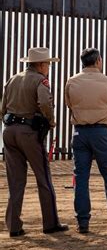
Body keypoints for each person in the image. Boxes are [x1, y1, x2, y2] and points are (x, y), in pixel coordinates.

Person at [1, 47, 68, 237]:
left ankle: (14, 226)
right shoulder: (40, 80)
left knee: (15, 181)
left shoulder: (12, 79)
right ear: (40, 65)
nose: (48, 67)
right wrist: (51, 121)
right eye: (47, 64)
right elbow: (45, 103)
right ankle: (50, 223)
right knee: (43, 178)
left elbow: (3, 106)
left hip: (9, 131)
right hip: (29, 133)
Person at [65, 48, 107, 233]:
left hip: (79, 133)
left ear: (82, 62)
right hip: (101, 132)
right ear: (98, 61)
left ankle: (83, 222)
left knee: (81, 178)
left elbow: (69, 104)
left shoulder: (71, 81)